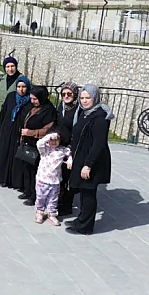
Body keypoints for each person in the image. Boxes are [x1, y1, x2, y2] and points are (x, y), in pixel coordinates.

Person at [66, 84, 114, 236]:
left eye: (88, 98)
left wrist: (88, 165)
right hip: (81, 157)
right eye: (82, 98)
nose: (85, 101)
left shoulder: (100, 118)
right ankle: (81, 219)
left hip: (92, 161)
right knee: (83, 190)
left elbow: (98, 144)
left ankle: (85, 227)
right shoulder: (84, 112)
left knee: (88, 193)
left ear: (95, 98)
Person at [12, 86, 57, 206]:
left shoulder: (49, 110)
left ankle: (35, 195)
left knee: (34, 171)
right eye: (31, 98)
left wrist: (31, 133)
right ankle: (28, 191)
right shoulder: (34, 107)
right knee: (27, 168)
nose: (32, 101)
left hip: (38, 144)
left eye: (35, 99)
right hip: (28, 143)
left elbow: (48, 129)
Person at [0, 76, 31, 188]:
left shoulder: (30, 101)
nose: (21, 89)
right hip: (6, 130)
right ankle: (2, 178)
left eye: (24, 87)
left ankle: (13, 181)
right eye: (19, 87)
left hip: (18, 133)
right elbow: (3, 113)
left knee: (15, 157)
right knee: (3, 154)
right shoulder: (11, 96)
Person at [35, 128, 72, 226]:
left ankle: (51, 213)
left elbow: (69, 155)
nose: (54, 142)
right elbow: (39, 143)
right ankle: (40, 212)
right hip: (42, 179)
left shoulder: (63, 150)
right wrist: (49, 136)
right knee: (41, 197)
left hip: (55, 180)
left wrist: (69, 161)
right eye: (52, 140)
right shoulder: (45, 149)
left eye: (56, 140)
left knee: (53, 199)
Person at [57, 82, 82, 216]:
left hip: (72, 147)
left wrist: (71, 150)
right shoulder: (61, 107)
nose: (66, 96)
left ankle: (67, 205)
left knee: (68, 178)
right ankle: (59, 201)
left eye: (69, 94)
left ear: (75, 94)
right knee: (59, 176)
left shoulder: (79, 110)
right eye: (63, 94)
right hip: (59, 146)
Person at [0, 56, 23, 121]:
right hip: (0, 114)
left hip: (14, 116)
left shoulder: (22, 80)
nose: (10, 69)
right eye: (7, 67)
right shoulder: (1, 80)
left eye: (12, 66)